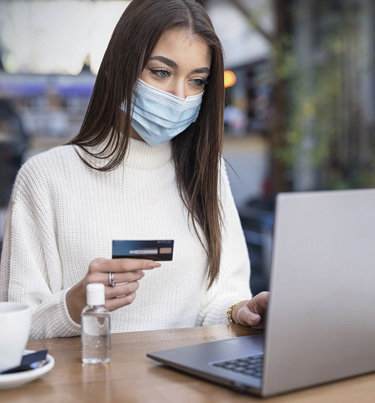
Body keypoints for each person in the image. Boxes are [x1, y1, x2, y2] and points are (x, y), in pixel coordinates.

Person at [0, 0, 268, 339]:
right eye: (161, 72)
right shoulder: (45, 178)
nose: (179, 96)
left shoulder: (205, 173)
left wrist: (240, 312)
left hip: (187, 387)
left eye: (197, 81)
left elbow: (218, 300)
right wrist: (73, 304)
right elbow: (15, 327)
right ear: (117, 69)